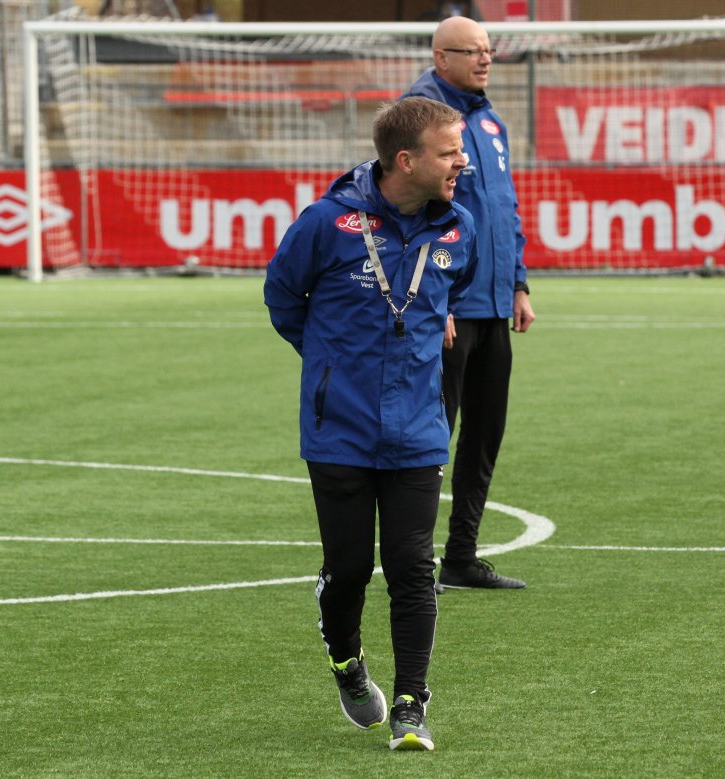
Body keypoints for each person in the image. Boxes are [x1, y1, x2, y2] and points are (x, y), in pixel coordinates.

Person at [264, 96, 477, 752]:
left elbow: (451, 289)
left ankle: (412, 703)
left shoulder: (459, 227)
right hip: (340, 428)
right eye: (449, 152)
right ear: (405, 160)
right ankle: (346, 663)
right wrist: (329, 366)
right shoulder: (327, 223)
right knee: (350, 568)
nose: (461, 162)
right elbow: (281, 295)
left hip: (418, 427)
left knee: (412, 565)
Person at [403, 16, 535, 591]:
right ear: (441, 58)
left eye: (489, 50)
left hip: (493, 306)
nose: (485, 59)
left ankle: (461, 556)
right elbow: (410, 214)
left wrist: (518, 284)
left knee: (484, 433)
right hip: (447, 311)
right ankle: (415, 560)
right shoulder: (420, 118)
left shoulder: (489, 120)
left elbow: (503, 209)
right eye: (473, 51)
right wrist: (436, 300)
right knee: (431, 436)